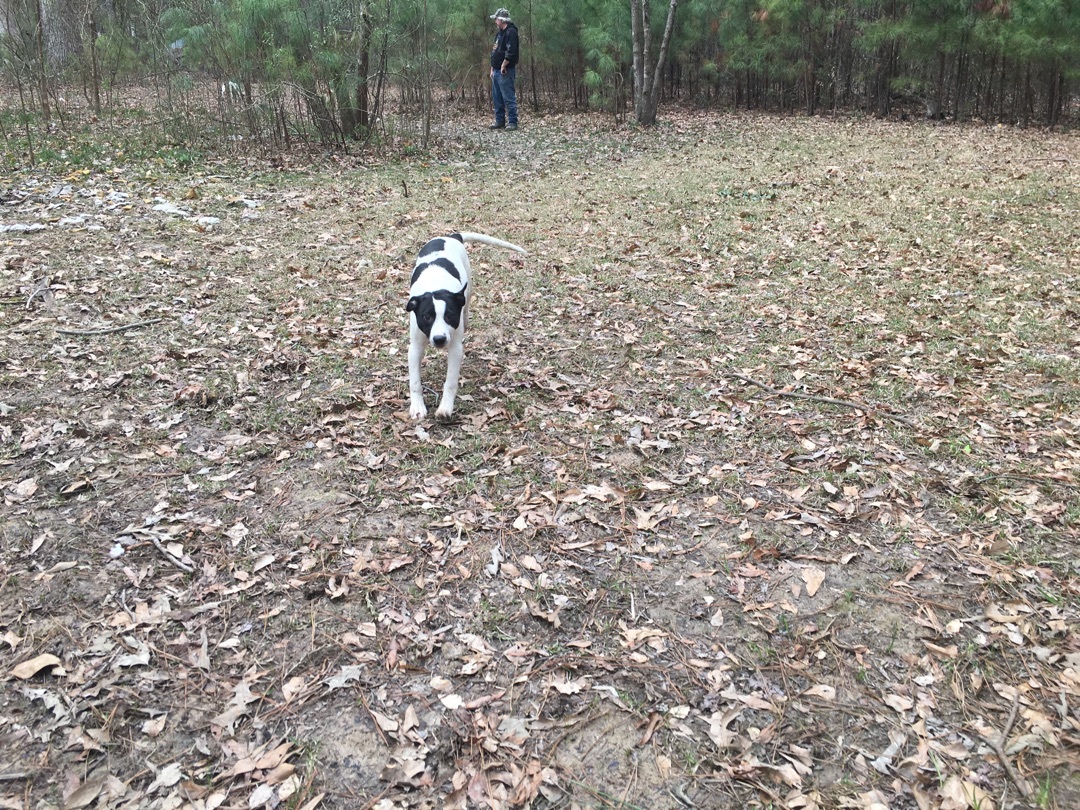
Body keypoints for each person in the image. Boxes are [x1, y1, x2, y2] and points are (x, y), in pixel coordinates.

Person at [489, 8, 519, 131]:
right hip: (496, 70)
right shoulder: (499, 34)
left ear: (501, 20)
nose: (495, 21)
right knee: (497, 98)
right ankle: (499, 121)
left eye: (496, 19)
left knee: (508, 97)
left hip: (505, 70)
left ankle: (512, 122)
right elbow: (495, 51)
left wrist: (503, 65)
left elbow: (511, 52)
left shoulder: (511, 32)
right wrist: (492, 68)